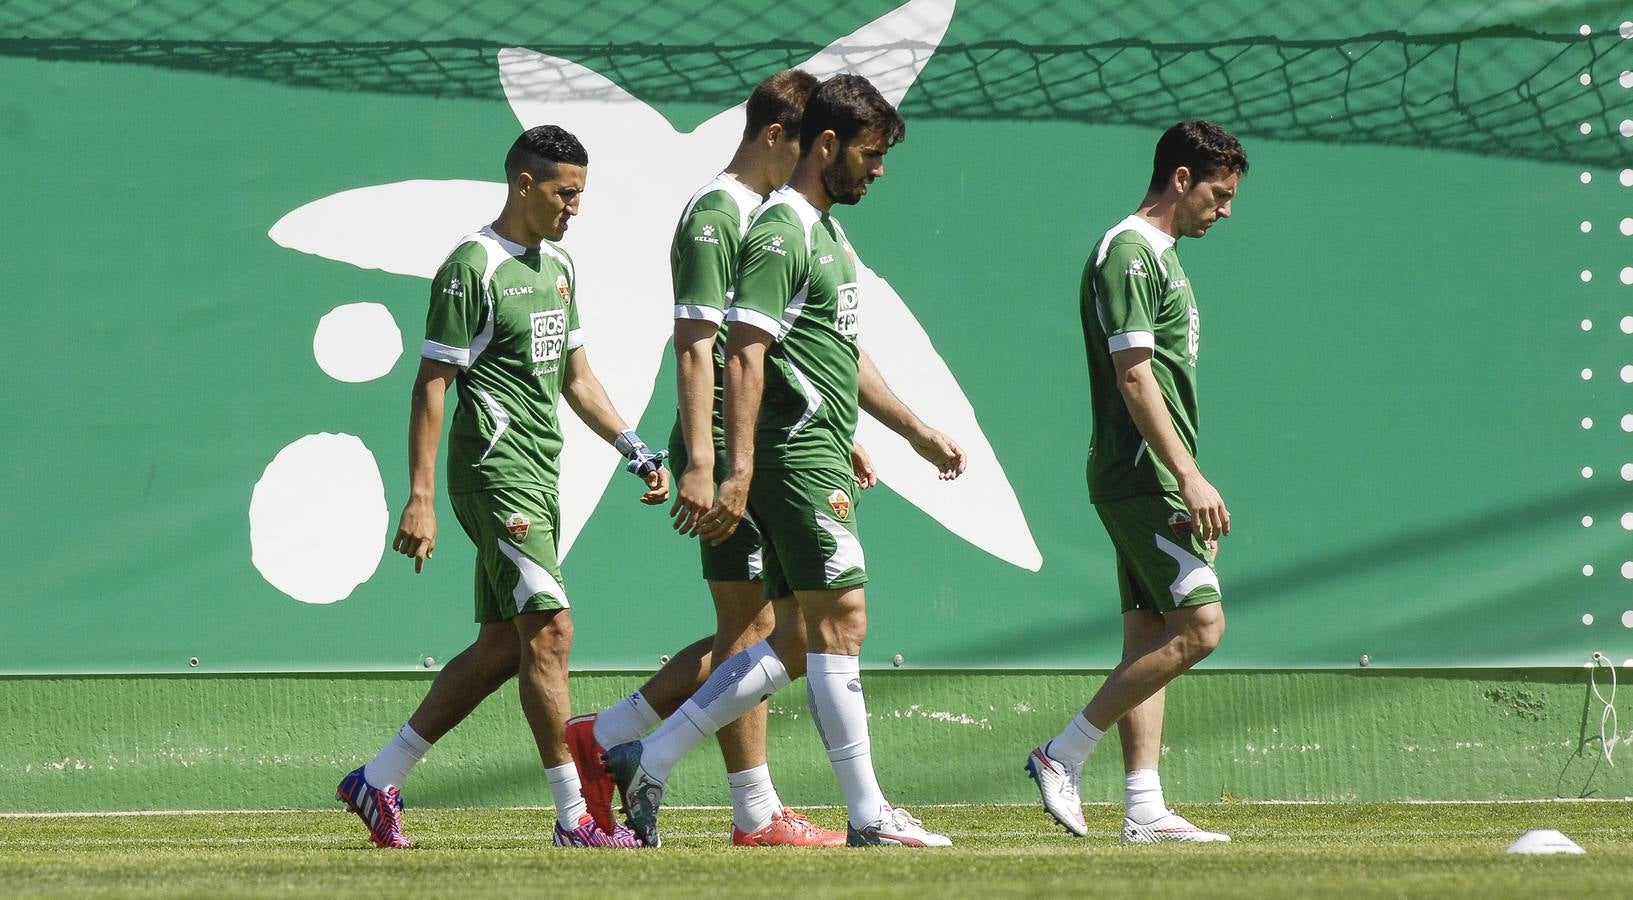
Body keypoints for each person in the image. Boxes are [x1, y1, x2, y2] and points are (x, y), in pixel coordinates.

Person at [603, 73, 968, 849]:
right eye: (870, 154)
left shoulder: (829, 234)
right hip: (791, 453)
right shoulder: (777, 231)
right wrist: (730, 468)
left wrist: (911, 430)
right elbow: (741, 354)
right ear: (824, 144)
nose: (878, 170)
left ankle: (648, 753)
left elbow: (835, 350)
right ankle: (867, 814)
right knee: (840, 621)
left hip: (820, 448)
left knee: (800, 633)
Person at [335, 124, 671, 850]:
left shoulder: (558, 267)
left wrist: (634, 448)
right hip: (493, 473)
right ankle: (574, 817)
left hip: (538, 473)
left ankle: (378, 777)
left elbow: (577, 379)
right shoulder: (471, 266)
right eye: (564, 193)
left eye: (581, 195)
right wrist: (419, 496)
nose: (574, 207)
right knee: (551, 633)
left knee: (499, 648)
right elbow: (432, 383)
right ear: (524, 183)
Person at [563, 69, 853, 848]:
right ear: (774, 137)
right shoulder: (717, 212)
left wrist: (835, 422)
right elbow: (697, 345)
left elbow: (782, 344)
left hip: (761, 441)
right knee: (753, 628)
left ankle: (610, 734)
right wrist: (703, 458)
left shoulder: (769, 216)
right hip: (732, 448)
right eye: (807, 144)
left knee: (756, 625)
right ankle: (751, 810)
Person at [1026, 119, 1248, 843]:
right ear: (1180, 179)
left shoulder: (1162, 255)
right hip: (1145, 473)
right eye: (1217, 194)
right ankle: (1061, 754)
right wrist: (1185, 473)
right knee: (1200, 627)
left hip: (1146, 471)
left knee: (1148, 635)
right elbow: (1132, 373)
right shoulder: (1128, 252)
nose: (1225, 210)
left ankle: (1143, 807)